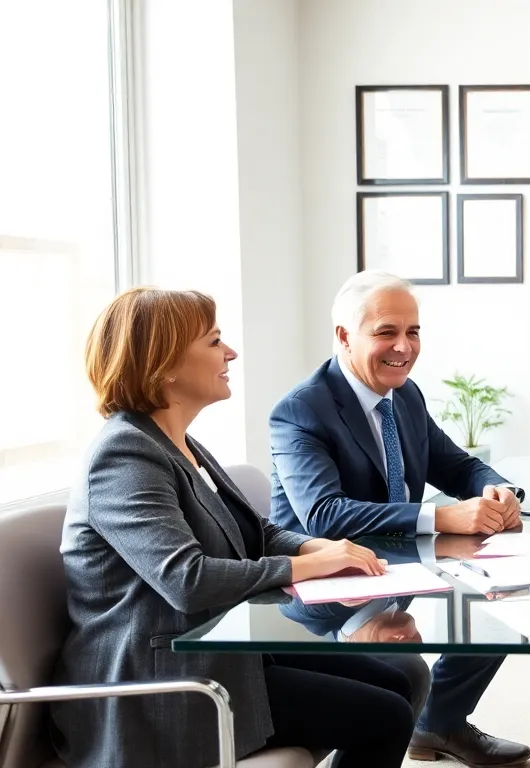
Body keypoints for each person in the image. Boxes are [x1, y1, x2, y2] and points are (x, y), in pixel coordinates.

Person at [49, 287, 418, 768]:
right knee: (385, 715)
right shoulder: (124, 456)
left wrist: (319, 547)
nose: (231, 352)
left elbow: (255, 534)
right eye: (213, 341)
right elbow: (188, 580)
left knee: (400, 679)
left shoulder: (179, 442)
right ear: (165, 364)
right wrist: (304, 567)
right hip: (160, 682)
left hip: (217, 652)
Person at [269, 270, 530, 766]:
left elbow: (459, 464)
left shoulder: (404, 395)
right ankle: (427, 724)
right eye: (386, 332)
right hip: (329, 593)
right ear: (345, 337)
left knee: (503, 610)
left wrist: (497, 490)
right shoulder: (301, 410)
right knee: (401, 674)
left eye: (413, 332)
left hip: (401, 571)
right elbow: (323, 515)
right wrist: (443, 517)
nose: (403, 347)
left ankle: (439, 725)